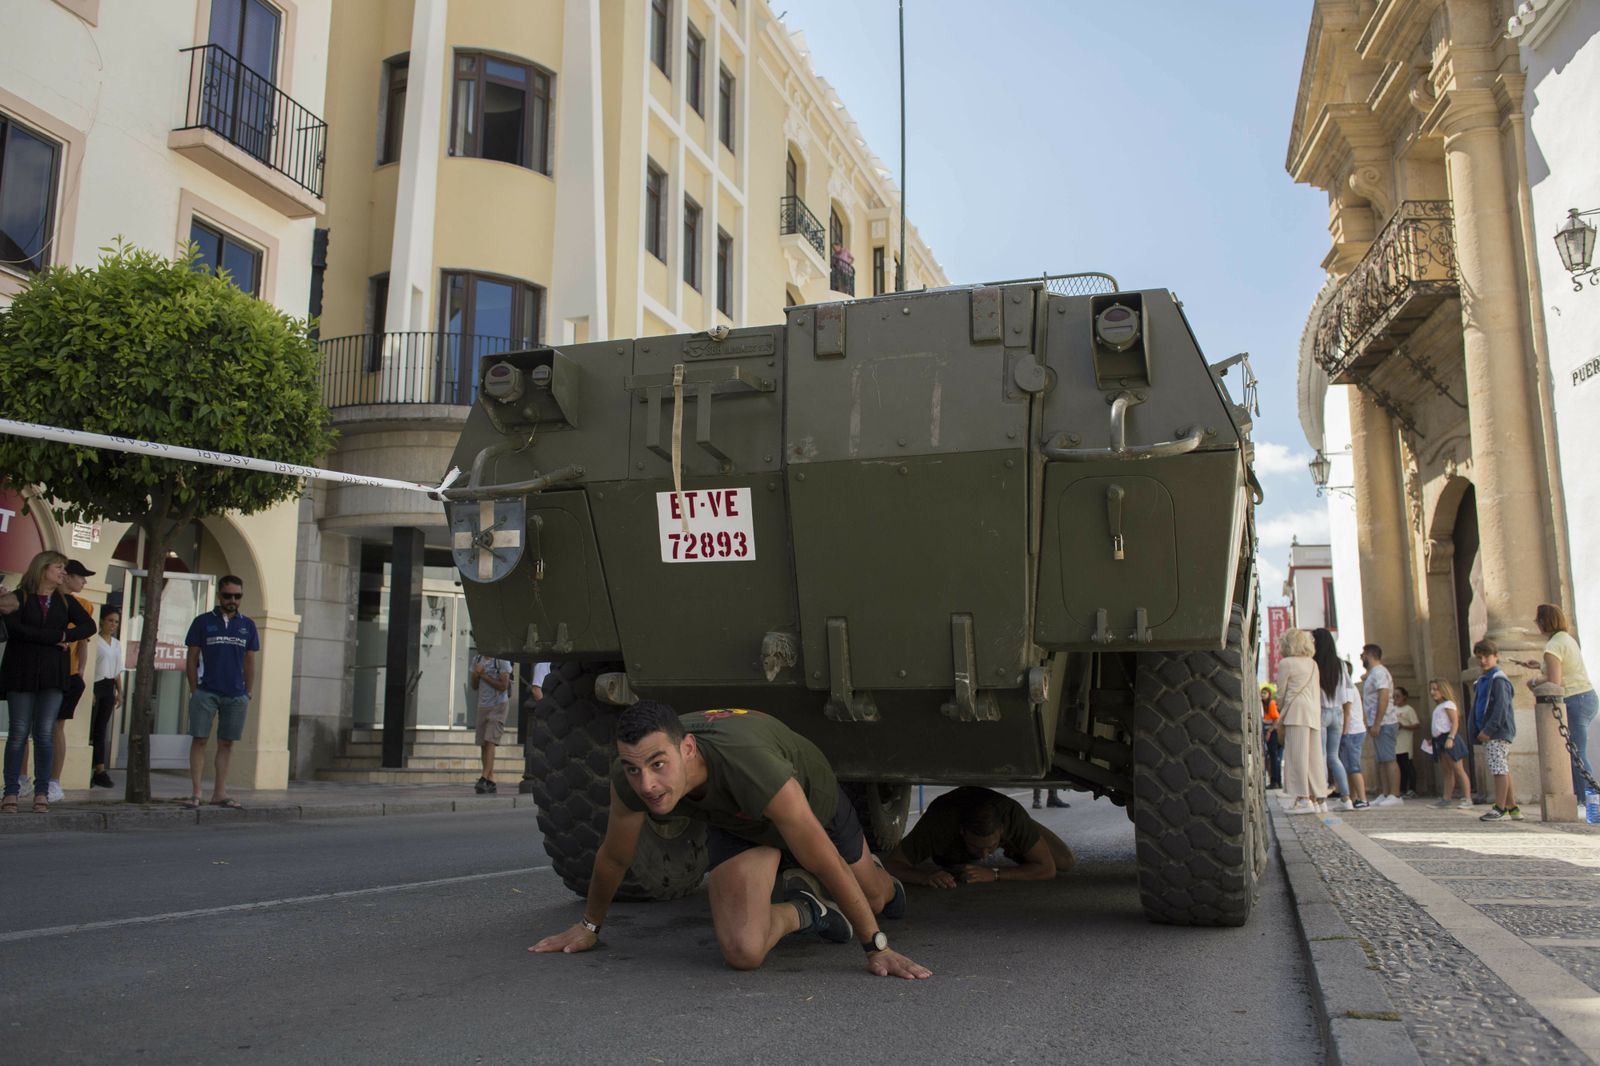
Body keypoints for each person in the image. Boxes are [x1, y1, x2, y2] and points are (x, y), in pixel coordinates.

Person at [531, 702, 930, 979]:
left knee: (874, 901)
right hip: (739, 823)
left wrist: (876, 947)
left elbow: (824, 859)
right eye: (634, 768)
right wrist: (589, 925)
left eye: (658, 765)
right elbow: (615, 857)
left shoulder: (749, 764)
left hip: (810, 805)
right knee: (743, 951)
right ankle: (808, 910)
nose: (647, 785)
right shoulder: (631, 779)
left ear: (686, 749)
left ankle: (881, 878)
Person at [1, 551, 96, 813]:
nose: (63, 573)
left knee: (44, 733)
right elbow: (15, 629)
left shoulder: (65, 601)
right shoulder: (21, 596)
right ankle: (11, 791)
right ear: (43, 569)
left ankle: (42, 791)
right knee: (19, 732)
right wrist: (52, 638)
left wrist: (65, 635)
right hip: (21, 671)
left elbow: (89, 627)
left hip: (53, 674)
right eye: (59, 568)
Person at [881, 787, 1075, 886]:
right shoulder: (938, 824)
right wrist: (925, 877)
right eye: (976, 847)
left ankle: (1028, 832)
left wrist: (995, 874)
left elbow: (1047, 869)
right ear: (963, 832)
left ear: (1001, 831)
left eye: (991, 847)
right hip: (952, 808)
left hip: (1008, 814)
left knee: (1065, 861)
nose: (984, 856)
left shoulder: (1011, 817)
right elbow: (891, 864)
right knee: (952, 862)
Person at [183, 576, 258, 811]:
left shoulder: (248, 625)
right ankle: (196, 793)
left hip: (236, 694)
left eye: (237, 596)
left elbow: (250, 661)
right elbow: (192, 658)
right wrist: (194, 689)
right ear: (219, 596)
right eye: (228, 596)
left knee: (226, 743)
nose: (232, 600)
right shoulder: (202, 622)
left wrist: (248, 691)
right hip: (206, 691)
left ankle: (219, 792)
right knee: (200, 739)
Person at [1513, 603, 1596, 802]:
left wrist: (1532, 682)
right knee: (1577, 752)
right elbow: (1562, 669)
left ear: (1543, 622)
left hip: (1575, 698)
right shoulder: (1566, 639)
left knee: (1576, 754)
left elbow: (1554, 681)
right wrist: (1539, 666)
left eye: (1538, 621)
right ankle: (1587, 800)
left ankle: (1587, 802)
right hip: (1587, 696)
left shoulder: (1552, 646)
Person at [44, 559, 96, 802]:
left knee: (57, 727)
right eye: (80, 576)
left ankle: (53, 781)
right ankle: (22, 779)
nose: (84, 581)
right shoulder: (46, 599)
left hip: (68, 674)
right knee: (26, 727)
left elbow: (84, 639)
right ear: (66, 576)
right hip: (46, 669)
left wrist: (80, 671)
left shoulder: (82, 604)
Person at [1276, 629, 1327, 815]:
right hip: (1313, 713)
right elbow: (1315, 692)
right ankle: (1318, 799)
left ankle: (1303, 799)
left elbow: (1281, 692)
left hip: (1296, 712)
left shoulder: (1286, 663)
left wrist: (1282, 711)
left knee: (1297, 757)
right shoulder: (1313, 664)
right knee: (1313, 758)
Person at [1472, 639, 1521, 822]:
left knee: (1499, 769)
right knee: (1502, 767)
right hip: (1490, 731)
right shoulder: (1484, 679)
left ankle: (1500, 807)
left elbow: (1501, 707)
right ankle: (1512, 806)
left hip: (1497, 732)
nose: (1483, 660)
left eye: (1486, 656)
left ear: (1495, 656)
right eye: (1479, 657)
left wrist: (1489, 729)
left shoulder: (1498, 680)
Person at [1312, 629, 1358, 810]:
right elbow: (1348, 693)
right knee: (1334, 757)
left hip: (1321, 712)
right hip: (1337, 713)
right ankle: (1346, 799)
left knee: (1321, 756)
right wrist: (1346, 718)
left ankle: (1321, 799)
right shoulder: (1340, 664)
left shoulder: (1314, 664)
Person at [1360, 644, 1401, 806]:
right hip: (1376, 722)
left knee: (1389, 758)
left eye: (1362, 654)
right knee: (1382, 759)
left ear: (1369, 655)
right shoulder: (1373, 674)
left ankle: (1395, 794)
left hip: (1385, 721)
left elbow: (1383, 696)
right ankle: (1385, 792)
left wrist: (1377, 722)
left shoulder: (1380, 673)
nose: (1361, 658)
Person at [470, 652, 512, 794]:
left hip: (498, 705)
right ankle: (491, 780)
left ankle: (483, 778)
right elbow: (474, 686)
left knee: (490, 741)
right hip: (483, 706)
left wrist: (483, 676)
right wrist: (475, 675)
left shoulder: (501, 660)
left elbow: (503, 686)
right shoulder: (478, 659)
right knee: (483, 743)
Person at [89, 608, 122, 788]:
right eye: (110, 621)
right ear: (102, 621)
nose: (113, 625)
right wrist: (90, 691)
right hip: (96, 685)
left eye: (116, 622)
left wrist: (120, 691)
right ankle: (90, 767)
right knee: (90, 727)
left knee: (101, 728)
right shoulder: (95, 641)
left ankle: (99, 770)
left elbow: (117, 669)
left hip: (109, 685)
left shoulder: (116, 644)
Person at [1428, 679, 1472, 808]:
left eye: (1436, 689)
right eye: (1431, 689)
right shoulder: (1439, 706)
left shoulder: (1448, 704)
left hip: (1449, 739)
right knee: (1447, 771)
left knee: (1459, 770)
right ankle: (1446, 799)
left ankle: (1467, 799)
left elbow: (1455, 722)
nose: (1432, 692)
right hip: (1440, 740)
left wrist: (1451, 737)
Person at [1392, 685, 1420, 799]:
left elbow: (1416, 724)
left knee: (1408, 766)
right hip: (1395, 743)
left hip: (1405, 742)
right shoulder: (1393, 710)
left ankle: (1412, 788)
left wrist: (1403, 726)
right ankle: (1402, 788)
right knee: (1399, 767)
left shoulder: (1409, 709)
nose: (1395, 698)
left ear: (1404, 697)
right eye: (1394, 696)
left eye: (1398, 696)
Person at [1262, 684, 1284, 790]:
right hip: (1271, 733)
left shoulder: (1271, 704)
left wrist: (1269, 732)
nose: (1263, 695)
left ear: (1269, 694)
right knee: (1274, 758)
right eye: (1262, 693)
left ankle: (1275, 781)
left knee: (1274, 758)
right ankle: (1277, 782)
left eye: (1265, 693)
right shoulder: (1264, 705)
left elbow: (1276, 720)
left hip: (1273, 733)